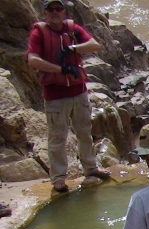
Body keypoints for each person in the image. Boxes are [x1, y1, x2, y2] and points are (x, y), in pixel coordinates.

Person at [27, 0, 111, 193]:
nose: (55, 12)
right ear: (45, 13)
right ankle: (58, 178)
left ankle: (91, 168)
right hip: (55, 96)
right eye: (50, 9)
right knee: (58, 138)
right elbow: (33, 60)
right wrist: (61, 69)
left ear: (64, 11)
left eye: (58, 9)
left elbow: (94, 45)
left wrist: (72, 48)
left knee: (85, 132)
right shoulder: (39, 32)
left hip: (79, 92)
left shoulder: (73, 29)